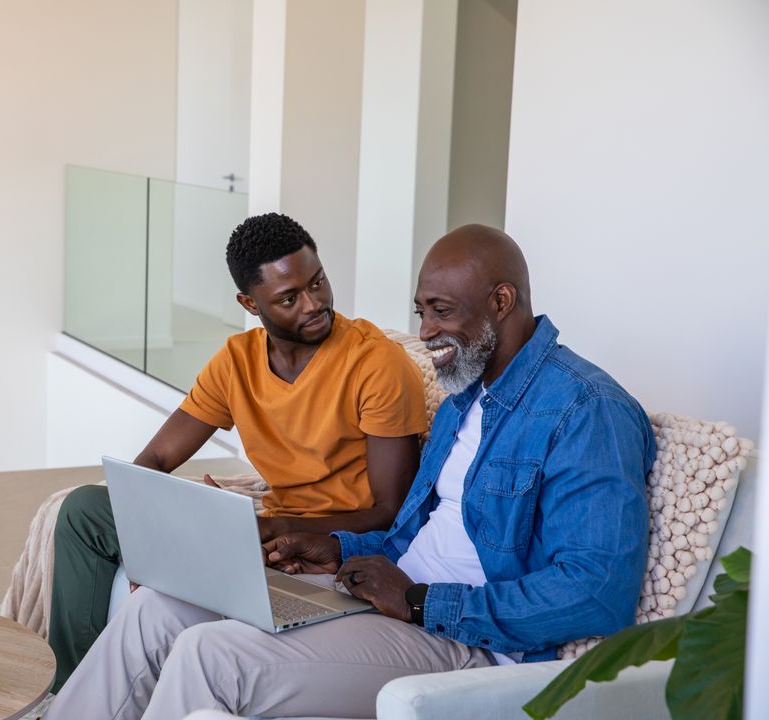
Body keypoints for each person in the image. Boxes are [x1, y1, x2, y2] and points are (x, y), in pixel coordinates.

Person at [46, 224, 655, 720]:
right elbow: (411, 530)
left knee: (211, 655)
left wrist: (419, 600)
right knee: (157, 609)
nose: (426, 333)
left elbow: (597, 593)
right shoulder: (468, 397)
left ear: (502, 300)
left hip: (466, 640)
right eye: (421, 312)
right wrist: (335, 547)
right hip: (387, 591)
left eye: (441, 312)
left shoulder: (587, 411)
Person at [47, 213, 429, 692]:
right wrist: (152, 537)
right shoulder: (237, 361)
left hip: (323, 545)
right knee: (85, 509)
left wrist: (279, 527)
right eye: (289, 298)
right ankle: (69, 686)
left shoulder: (376, 366)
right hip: (258, 532)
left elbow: (390, 513)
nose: (314, 304)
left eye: (318, 282)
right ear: (250, 303)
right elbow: (156, 462)